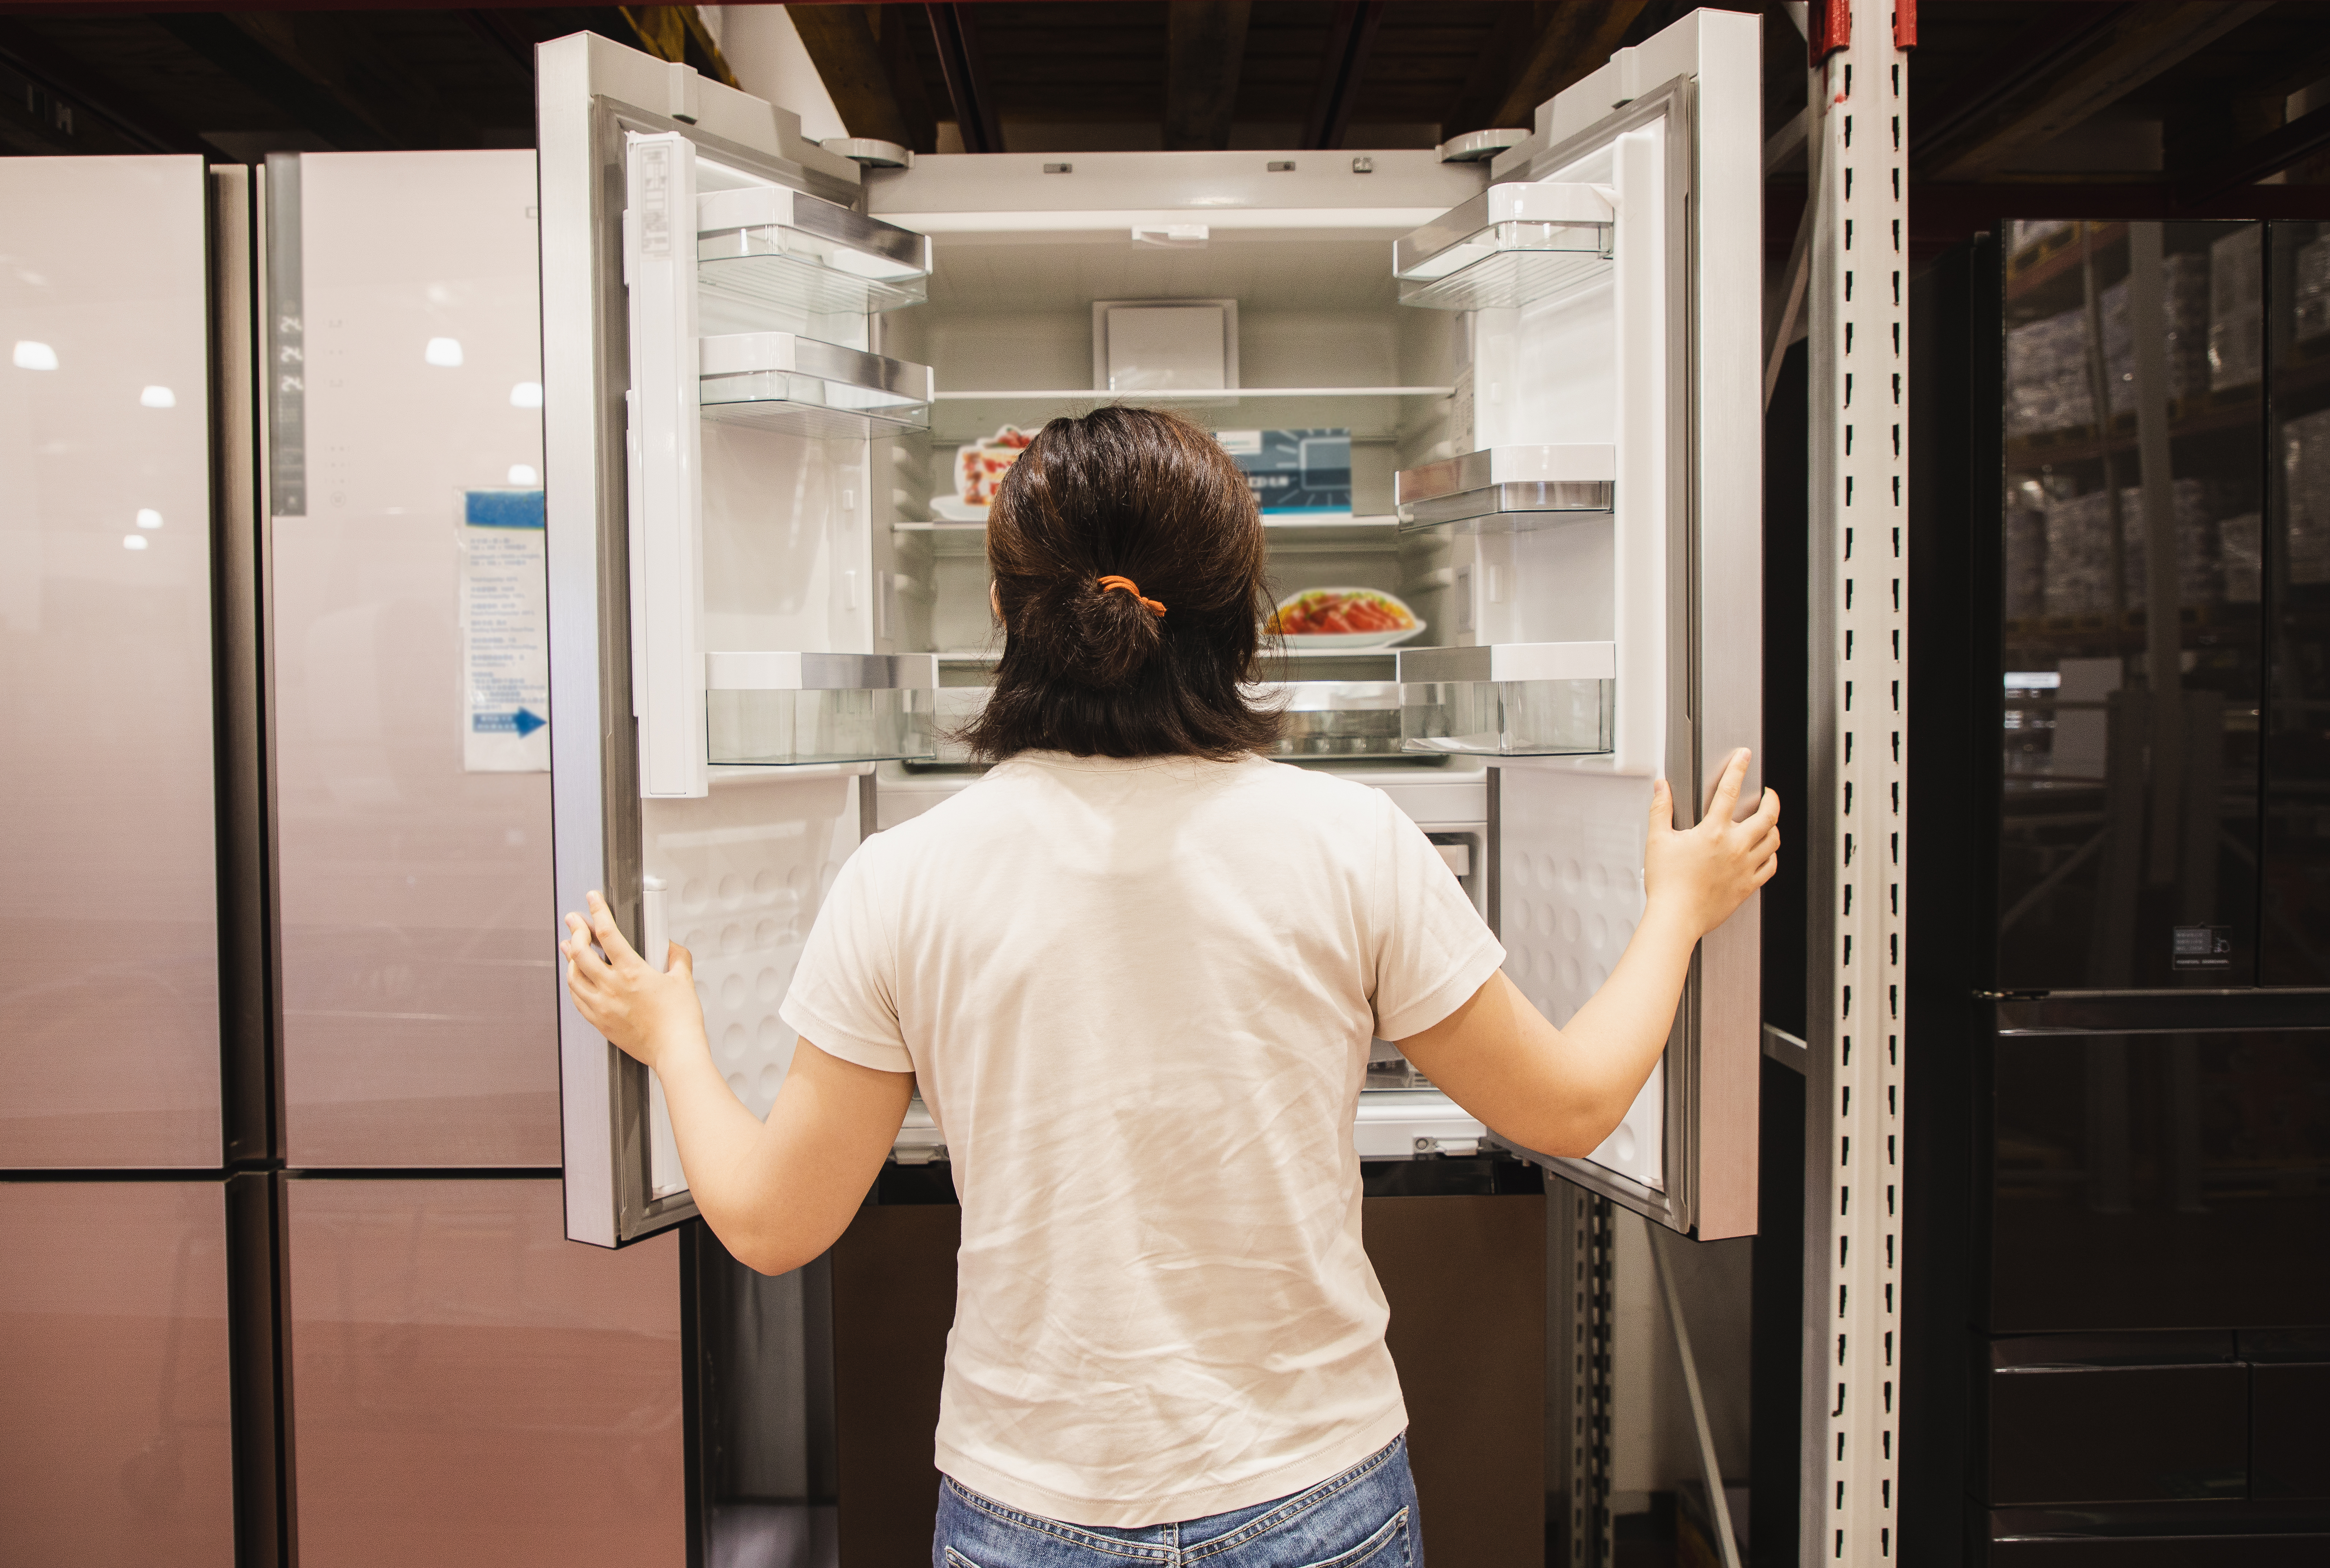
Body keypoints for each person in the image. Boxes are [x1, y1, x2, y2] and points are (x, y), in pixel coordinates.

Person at [562, 406, 1777, 1568]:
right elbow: (1566, 1110)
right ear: (1242, 615)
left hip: (1030, 1501)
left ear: (1003, 610)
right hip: (1313, 1489)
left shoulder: (903, 877)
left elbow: (776, 1227)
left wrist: (674, 1040)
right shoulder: (1351, 840)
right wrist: (1674, 907)